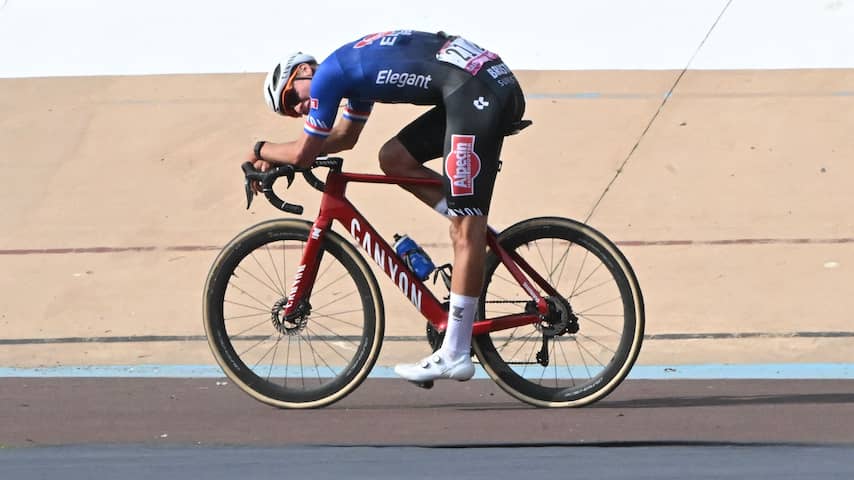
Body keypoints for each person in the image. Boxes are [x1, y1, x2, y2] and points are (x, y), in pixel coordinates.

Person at [248, 30, 525, 383]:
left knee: (463, 232)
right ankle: (474, 228)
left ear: (303, 70)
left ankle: (455, 354)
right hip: (478, 84)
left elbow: (305, 151)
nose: (299, 108)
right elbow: (345, 138)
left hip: (475, 92)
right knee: (393, 159)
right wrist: (279, 156)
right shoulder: (351, 77)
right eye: (290, 112)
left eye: (291, 97)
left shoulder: (328, 77)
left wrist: (259, 150)